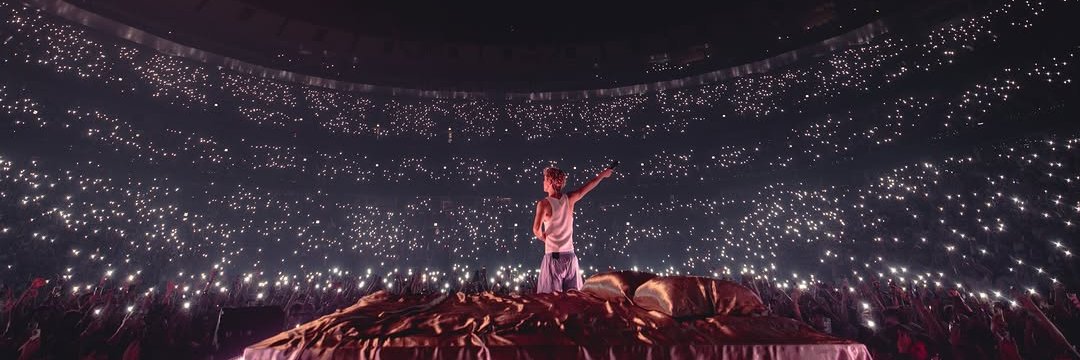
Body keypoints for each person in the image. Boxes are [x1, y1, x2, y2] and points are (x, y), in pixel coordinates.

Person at [532, 166, 613, 293]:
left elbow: (536, 229)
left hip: (554, 258)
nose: (543, 182)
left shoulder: (544, 204)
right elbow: (589, 185)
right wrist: (603, 174)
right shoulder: (569, 199)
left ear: (551, 182)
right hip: (570, 257)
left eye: (545, 179)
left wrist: (544, 238)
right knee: (573, 300)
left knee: (552, 301)